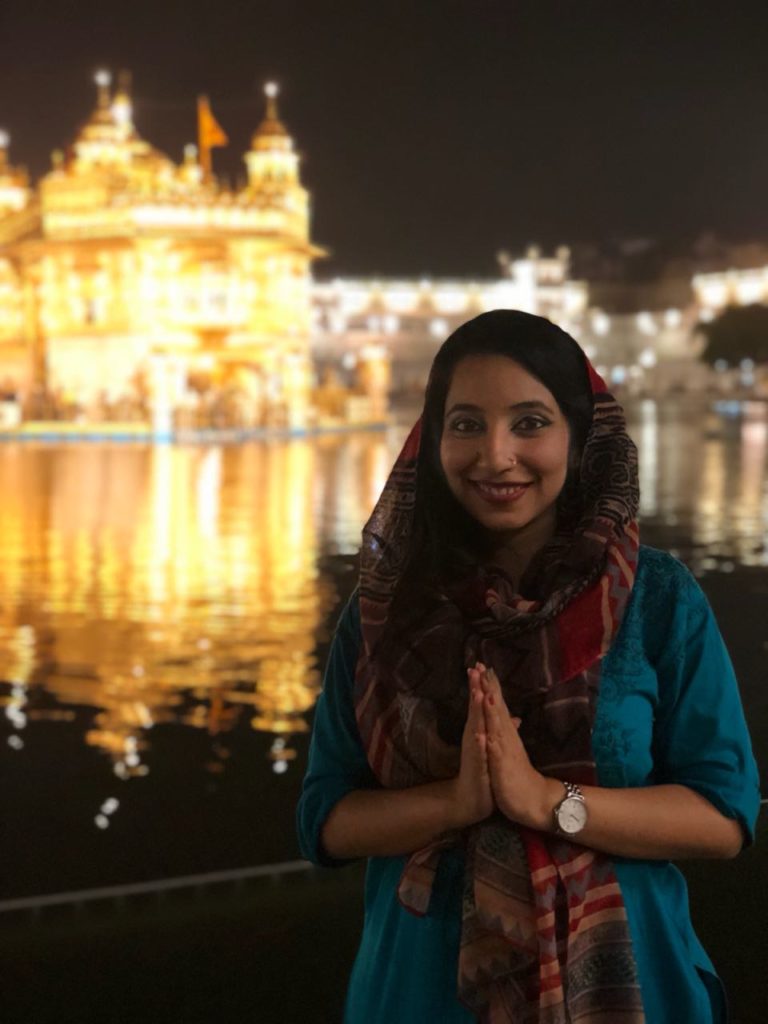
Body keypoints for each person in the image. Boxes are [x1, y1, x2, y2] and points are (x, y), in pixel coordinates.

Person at [297, 310, 760, 1024]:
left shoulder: (652, 598)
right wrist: (455, 803)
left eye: (530, 422)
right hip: (420, 990)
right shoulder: (388, 609)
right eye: (466, 424)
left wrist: (546, 801)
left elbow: (724, 816)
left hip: (626, 983)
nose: (496, 455)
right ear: (431, 438)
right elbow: (325, 818)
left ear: (581, 438)